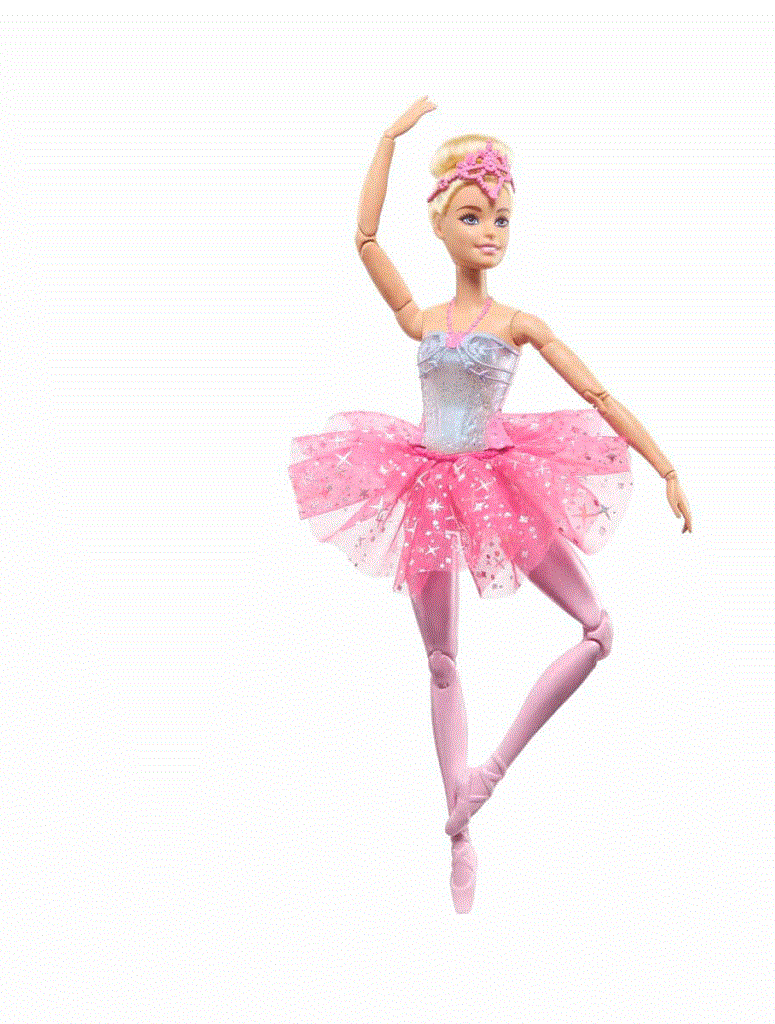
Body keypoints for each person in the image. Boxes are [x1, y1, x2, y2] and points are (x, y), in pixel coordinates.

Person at [288, 96, 692, 912]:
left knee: (598, 629)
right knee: (440, 660)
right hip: (424, 481)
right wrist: (388, 139)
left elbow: (597, 391)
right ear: (440, 223)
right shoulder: (422, 318)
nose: (490, 232)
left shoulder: (519, 323)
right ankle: (460, 833)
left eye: (502, 218)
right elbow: (364, 240)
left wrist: (664, 464)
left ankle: (489, 775)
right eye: (473, 216)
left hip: (501, 481)